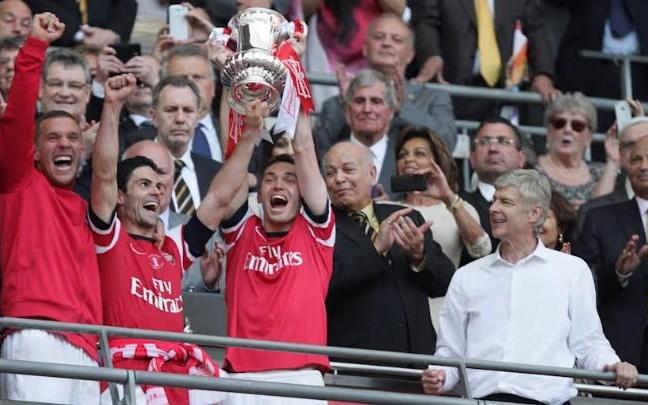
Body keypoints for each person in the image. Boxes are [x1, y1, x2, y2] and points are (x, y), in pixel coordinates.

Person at [89, 74, 263, 404]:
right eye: (143, 184)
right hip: (127, 376)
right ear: (121, 197)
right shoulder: (109, 240)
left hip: (175, 373)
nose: (155, 191)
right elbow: (104, 174)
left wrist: (250, 135)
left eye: (159, 186)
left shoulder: (172, 246)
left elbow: (219, 199)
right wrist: (111, 106)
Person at [422, 169, 639, 404]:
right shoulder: (467, 276)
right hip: (482, 401)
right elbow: (450, 351)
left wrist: (613, 365)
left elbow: (588, 341)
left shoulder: (572, 271)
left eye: (506, 202)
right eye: (494, 200)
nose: (493, 208)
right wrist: (440, 376)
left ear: (534, 213)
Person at [0, 12, 103, 403]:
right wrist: (35, 47)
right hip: (36, 331)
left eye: (73, 138)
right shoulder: (19, 183)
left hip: (88, 344)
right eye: (53, 138)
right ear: (34, 151)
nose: (64, 144)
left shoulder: (85, 205)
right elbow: (17, 118)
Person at [219, 107, 334, 404]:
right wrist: (237, 100)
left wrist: (298, 91)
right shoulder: (241, 232)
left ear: (302, 192)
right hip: (242, 378)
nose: (279, 185)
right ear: (259, 194)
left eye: (290, 179)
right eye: (269, 179)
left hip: (301, 378)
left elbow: (304, 148)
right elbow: (231, 163)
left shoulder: (316, 233)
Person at [323, 141, 454, 358]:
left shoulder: (406, 217)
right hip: (355, 362)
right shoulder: (320, 229)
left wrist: (418, 256)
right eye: (330, 173)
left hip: (417, 359)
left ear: (372, 174)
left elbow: (445, 283)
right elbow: (327, 285)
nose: (339, 179)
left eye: (348, 170)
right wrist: (376, 250)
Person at [315, 12, 457, 152]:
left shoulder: (433, 97)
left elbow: (448, 142)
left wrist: (403, 108)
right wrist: (347, 105)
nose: (386, 43)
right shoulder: (339, 101)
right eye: (378, 37)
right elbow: (321, 149)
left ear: (410, 55)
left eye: (396, 39)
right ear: (365, 49)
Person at [409, 0, 558, 120]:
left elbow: (536, 29)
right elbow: (426, 21)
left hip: (503, 94)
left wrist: (543, 74)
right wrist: (431, 56)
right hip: (452, 88)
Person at [576, 135, 648, 374]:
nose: (643, 166)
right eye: (636, 159)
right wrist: (619, 273)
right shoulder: (599, 218)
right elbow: (583, 285)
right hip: (621, 355)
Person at [394, 126, 491, 267]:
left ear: (438, 163)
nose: (408, 159)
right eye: (402, 155)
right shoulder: (386, 207)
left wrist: (449, 198)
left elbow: (481, 250)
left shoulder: (459, 208)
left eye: (419, 154)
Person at [317, 68, 403, 197]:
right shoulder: (326, 154)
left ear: (391, 112)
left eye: (376, 101)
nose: (367, 109)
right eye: (359, 101)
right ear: (347, 111)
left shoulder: (404, 156)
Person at [151, 75, 222, 216]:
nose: (180, 119)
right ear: (153, 116)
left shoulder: (216, 173)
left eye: (188, 110)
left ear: (198, 117)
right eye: (171, 110)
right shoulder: (135, 167)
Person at [535, 92, 617, 208]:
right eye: (559, 123)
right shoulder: (531, 172)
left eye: (577, 126)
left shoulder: (601, 173)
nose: (567, 130)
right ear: (549, 131)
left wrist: (613, 162)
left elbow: (601, 213)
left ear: (589, 137)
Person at [576, 114, 648, 238]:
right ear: (619, 151)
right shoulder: (594, 211)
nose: (638, 150)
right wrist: (613, 162)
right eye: (630, 145)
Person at [460, 117, 526, 252]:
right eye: (484, 142)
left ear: (521, 158)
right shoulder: (458, 206)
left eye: (503, 141)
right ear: (472, 158)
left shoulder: (540, 204)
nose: (493, 148)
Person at [161, 44, 223, 162]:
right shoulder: (146, 138)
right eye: (181, 79)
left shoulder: (236, 134)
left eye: (197, 77)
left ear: (213, 87)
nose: (191, 85)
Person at [25, 0, 137, 49]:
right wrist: (78, 34)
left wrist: (113, 33)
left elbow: (127, 3)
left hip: (108, 47)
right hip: (58, 45)